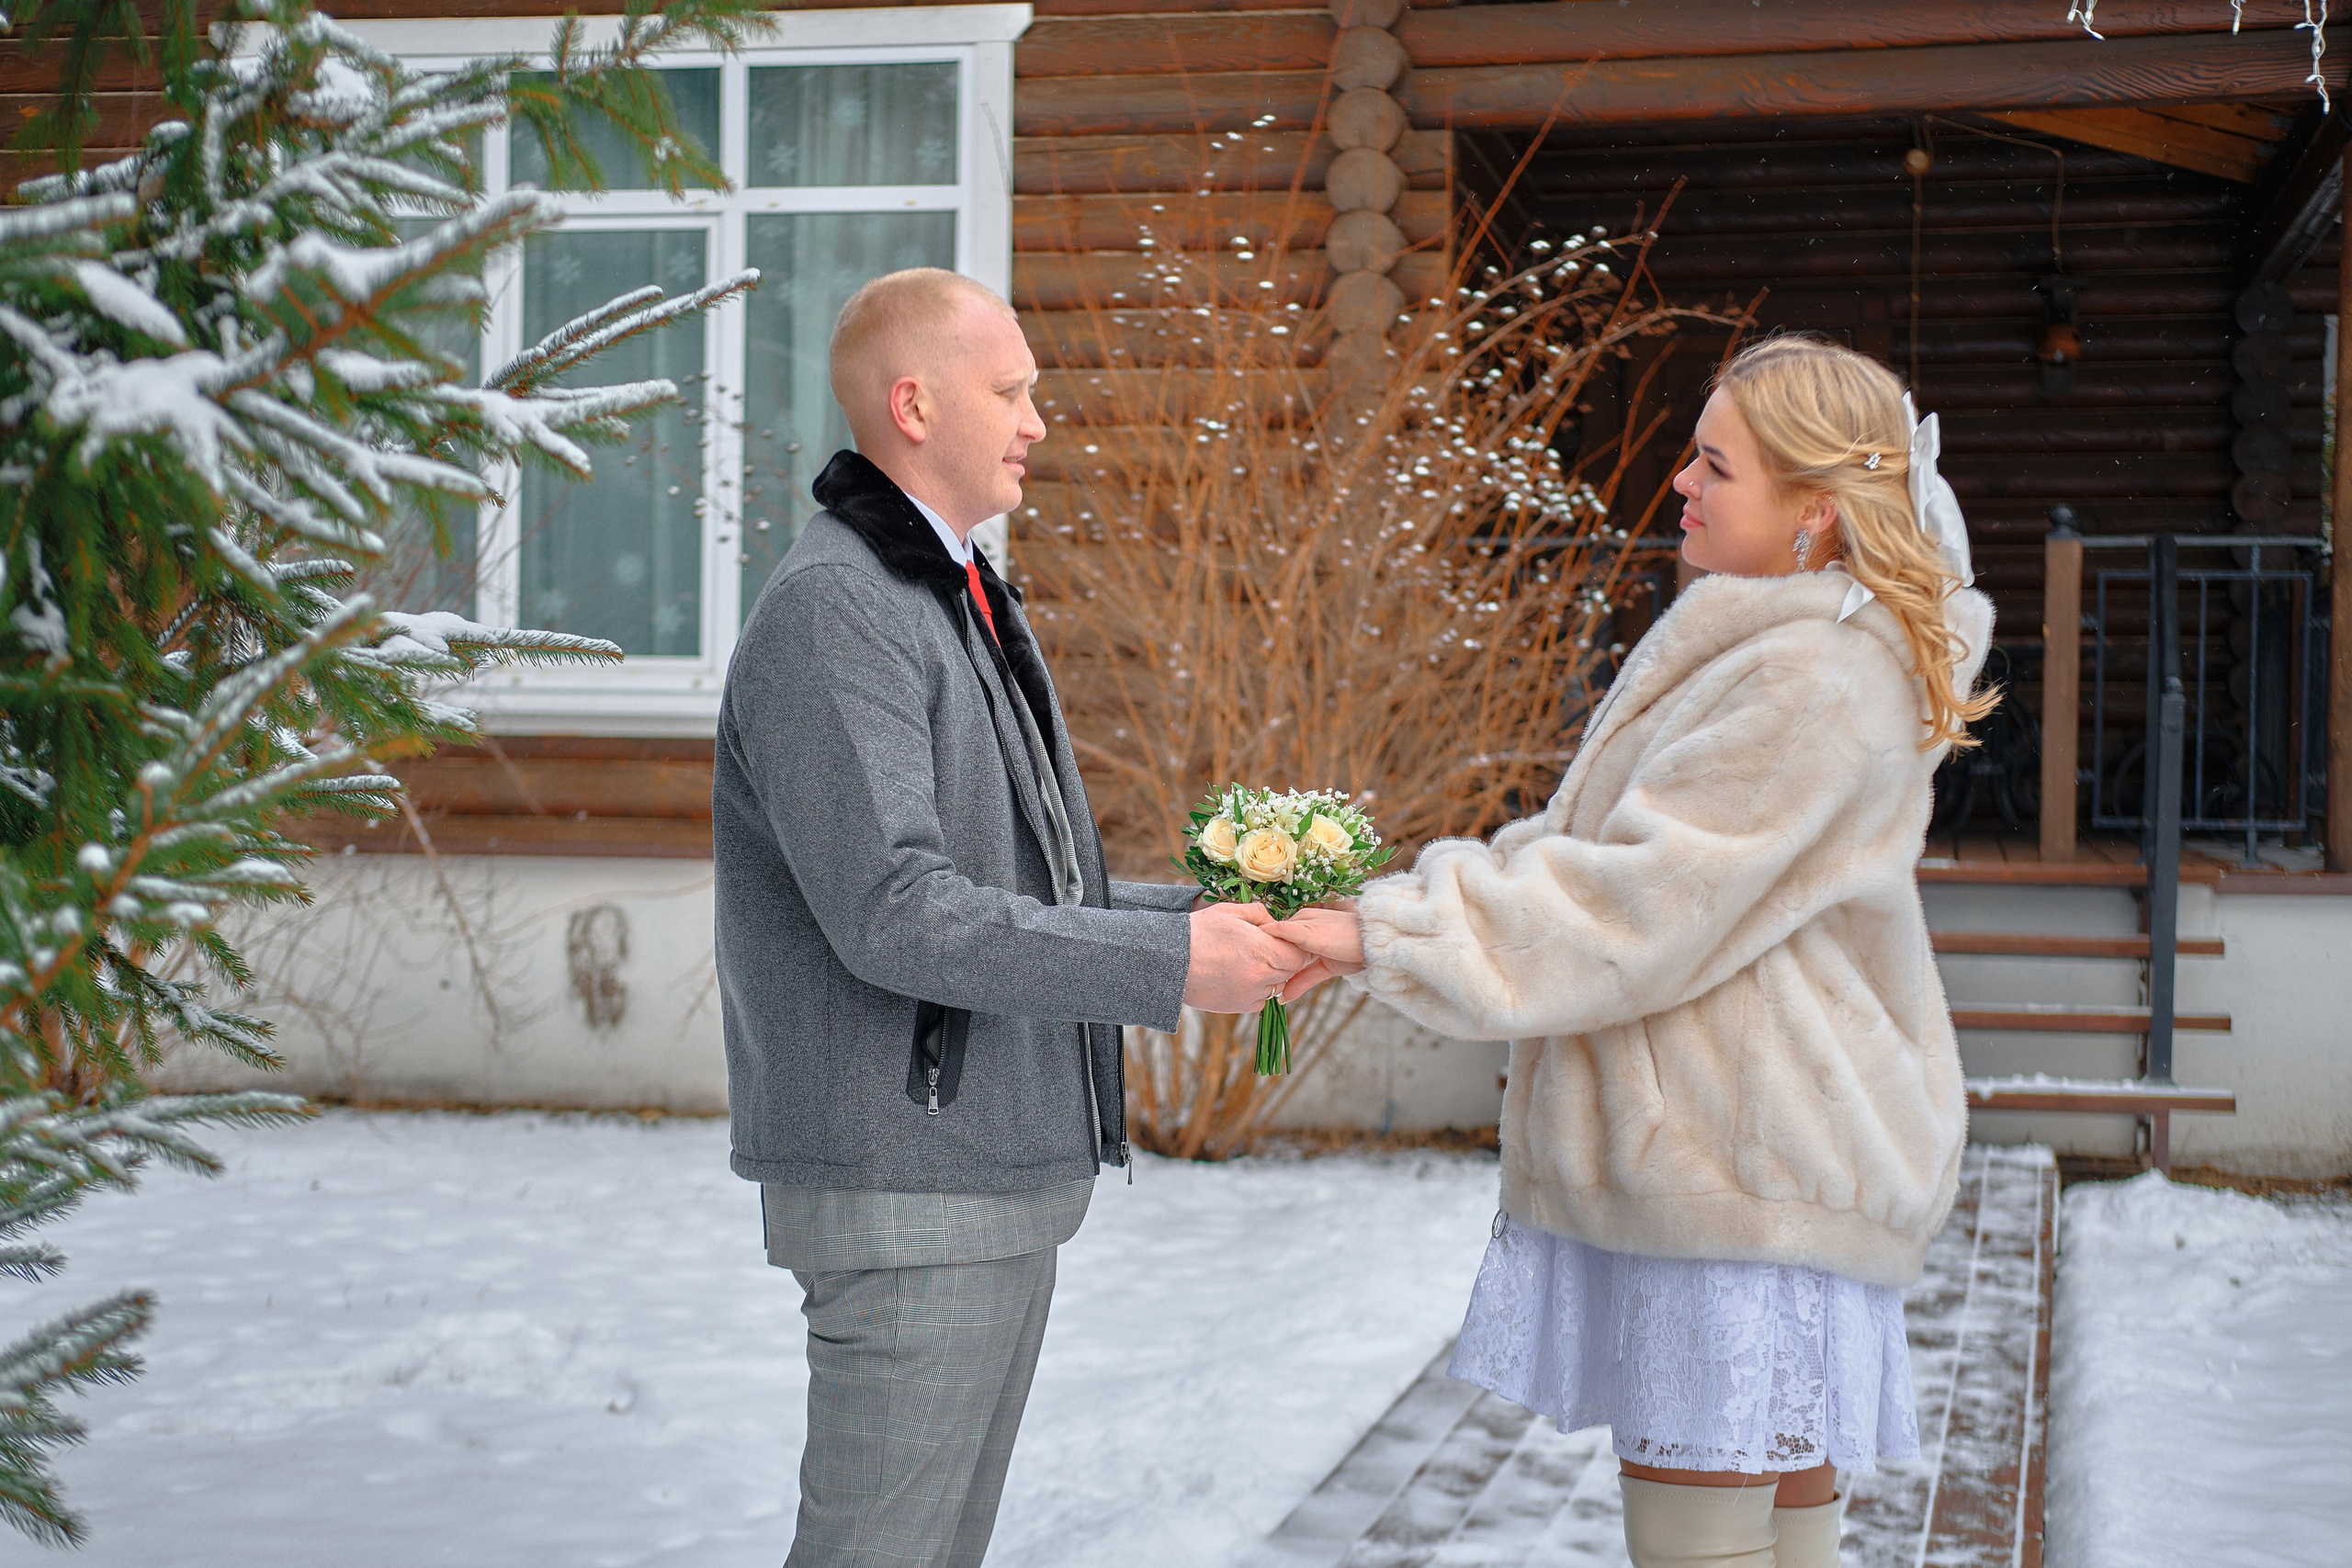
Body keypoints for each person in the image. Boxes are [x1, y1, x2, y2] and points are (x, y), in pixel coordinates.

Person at [1278, 334, 1995, 1568]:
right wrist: (1404, 904)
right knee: (1779, 1525)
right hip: (1757, 1150)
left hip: (1736, 1161)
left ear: (1816, 510)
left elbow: (1636, 906)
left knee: (1700, 1539)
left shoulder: (1813, 675)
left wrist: (1392, 933)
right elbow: (1598, 851)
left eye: (1716, 463)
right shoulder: (1792, 646)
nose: (1681, 481)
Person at [713, 267, 1306, 1568]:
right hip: (909, 1186)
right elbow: (895, 914)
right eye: (1013, 390)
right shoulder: (839, 609)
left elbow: (1026, 889)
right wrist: (1170, 963)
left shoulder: (946, 590)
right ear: (914, 405)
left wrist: (1215, 922)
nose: (1039, 421)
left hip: (979, 1181)